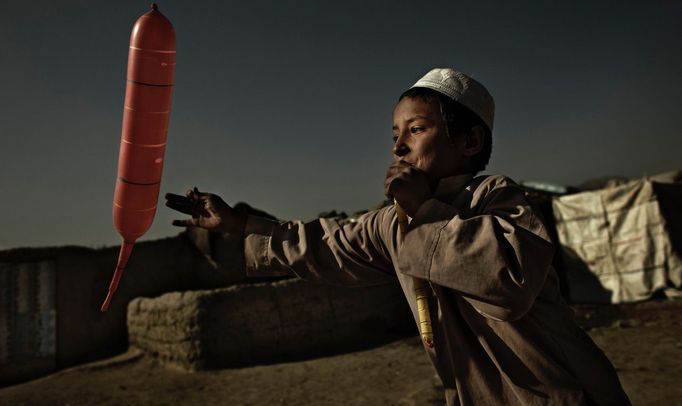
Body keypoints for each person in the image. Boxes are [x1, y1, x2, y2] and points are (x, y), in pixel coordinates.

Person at [165, 68, 630, 405]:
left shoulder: (498, 198)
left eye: (417, 129)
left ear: (468, 142)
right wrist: (238, 225)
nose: (398, 145)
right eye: (395, 133)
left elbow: (505, 282)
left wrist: (422, 208)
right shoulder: (391, 224)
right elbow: (325, 242)